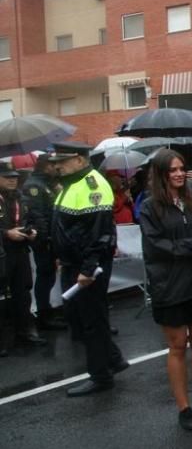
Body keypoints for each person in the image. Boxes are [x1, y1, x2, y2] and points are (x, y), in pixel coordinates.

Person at [139, 150, 192, 431]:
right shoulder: (150, 208)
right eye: (171, 170)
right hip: (170, 286)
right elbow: (156, 246)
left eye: (181, 169)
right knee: (177, 347)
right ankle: (184, 408)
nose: (177, 174)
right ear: (161, 173)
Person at [49, 142, 128, 396]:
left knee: (89, 321)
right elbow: (67, 227)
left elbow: (99, 232)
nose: (57, 165)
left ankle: (101, 376)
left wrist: (88, 267)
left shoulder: (93, 184)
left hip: (87, 266)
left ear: (81, 160)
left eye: (63, 160)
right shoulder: (72, 183)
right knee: (86, 317)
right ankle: (114, 359)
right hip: (75, 263)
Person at [0, 162, 46, 350]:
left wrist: (33, 231)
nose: (13, 180)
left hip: (19, 251)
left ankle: (25, 332)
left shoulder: (22, 198)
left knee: (23, 293)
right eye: (8, 177)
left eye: (14, 177)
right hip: (2, 253)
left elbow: (34, 219)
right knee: (1, 297)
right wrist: (5, 233)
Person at [21, 155, 67, 333]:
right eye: (52, 164)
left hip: (52, 237)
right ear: (44, 166)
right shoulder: (34, 186)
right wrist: (46, 238)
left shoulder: (48, 184)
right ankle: (44, 316)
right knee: (45, 276)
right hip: (44, 240)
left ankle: (48, 313)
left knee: (49, 277)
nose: (55, 167)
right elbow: (38, 215)